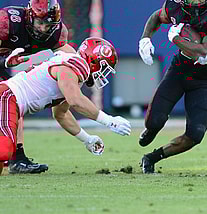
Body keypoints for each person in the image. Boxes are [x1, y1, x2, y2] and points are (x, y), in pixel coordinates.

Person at [138, 0, 207, 173]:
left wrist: (176, 39)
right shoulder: (173, 5)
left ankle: (152, 157)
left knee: (195, 134)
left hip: (205, 77)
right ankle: (151, 130)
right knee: (154, 121)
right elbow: (156, 17)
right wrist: (145, 38)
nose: (196, 1)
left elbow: (204, 54)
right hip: (180, 70)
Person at [0, 37, 132, 175]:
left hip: (11, 102)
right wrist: (110, 122)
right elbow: (75, 100)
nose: (102, 74)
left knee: (4, 154)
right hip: (7, 97)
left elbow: (61, 114)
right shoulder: (74, 66)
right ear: (93, 61)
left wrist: (87, 139)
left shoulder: (71, 69)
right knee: (3, 153)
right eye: (104, 68)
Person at [0, 0, 77, 174]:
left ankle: (17, 159)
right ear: (29, 17)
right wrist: (4, 62)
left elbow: (69, 54)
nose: (43, 29)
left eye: (48, 24)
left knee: (14, 101)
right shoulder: (6, 22)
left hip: (6, 64)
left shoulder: (58, 33)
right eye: (40, 23)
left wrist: (82, 71)